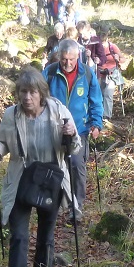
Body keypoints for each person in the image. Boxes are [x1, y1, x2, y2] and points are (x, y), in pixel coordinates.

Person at [0, 67, 80, 267]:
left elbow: (74, 147)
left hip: (51, 179)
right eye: (22, 92)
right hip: (21, 178)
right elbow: (2, 141)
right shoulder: (12, 115)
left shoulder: (58, 110)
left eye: (31, 92)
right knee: (18, 235)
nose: (26, 97)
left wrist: (70, 133)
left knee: (45, 235)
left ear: (41, 93)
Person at [43, 38, 103, 217]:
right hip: (53, 128)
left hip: (80, 128)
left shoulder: (87, 74)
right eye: (64, 59)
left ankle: (76, 206)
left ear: (78, 56)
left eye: (72, 59)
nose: (68, 63)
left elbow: (96, 101)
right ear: (58, 56)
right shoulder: (50, 73)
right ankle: (53, 203)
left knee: (77, 165)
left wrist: (96, 123)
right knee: (53, 166)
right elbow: (39, 98)